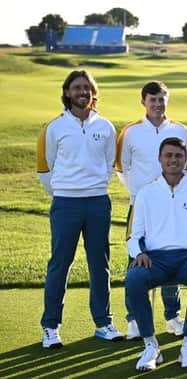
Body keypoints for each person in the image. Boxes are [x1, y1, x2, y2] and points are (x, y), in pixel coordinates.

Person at [37, 69, 122, 348]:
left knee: (101, 264)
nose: (82, 92)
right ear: (67, 92)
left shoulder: (105, 127)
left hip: (98, 202)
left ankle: (104, 322)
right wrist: (64, 191)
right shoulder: (56, 127)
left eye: (87, 88)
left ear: (93, 93)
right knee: (60, 264)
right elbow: (47, 167)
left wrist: (92, 187)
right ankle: (51, 327)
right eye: (77, 88)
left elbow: (110, 165)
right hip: (65, 204)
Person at [125, 137, 187, 371]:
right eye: (168, 155)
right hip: (154, 258)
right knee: (133, 279)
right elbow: (134, 235)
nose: (173, 160)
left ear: (185, 159)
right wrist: (138, 254)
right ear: (160, 159)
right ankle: (151, 346)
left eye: (178, 156)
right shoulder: (146, 193)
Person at [115, 81, 187, 340]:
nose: (157, 104)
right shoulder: (131, 132)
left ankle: (172, 317)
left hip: (174, 204)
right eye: (152, 99)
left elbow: (186, 167)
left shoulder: (180, 129)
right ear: (143, 102)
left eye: (161, 99)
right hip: (141, 205)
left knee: (171, 252)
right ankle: (134, 319)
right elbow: (121, 168)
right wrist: (140, 193)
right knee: (135, 259)